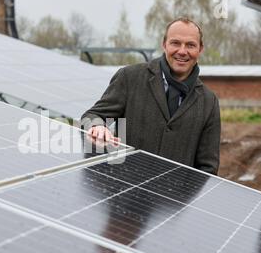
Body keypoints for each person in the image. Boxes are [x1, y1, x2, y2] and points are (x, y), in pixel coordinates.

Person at [81, 17, 221, 175]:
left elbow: (208, 168)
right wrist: (97, 126)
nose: (182, 51)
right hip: (124, 193)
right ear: (164, 44)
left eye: (190, 45)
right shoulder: (130, 77)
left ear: (200, 49)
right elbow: (92, 116)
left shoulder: (209, 102)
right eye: (175, 43)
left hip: (175, 198)